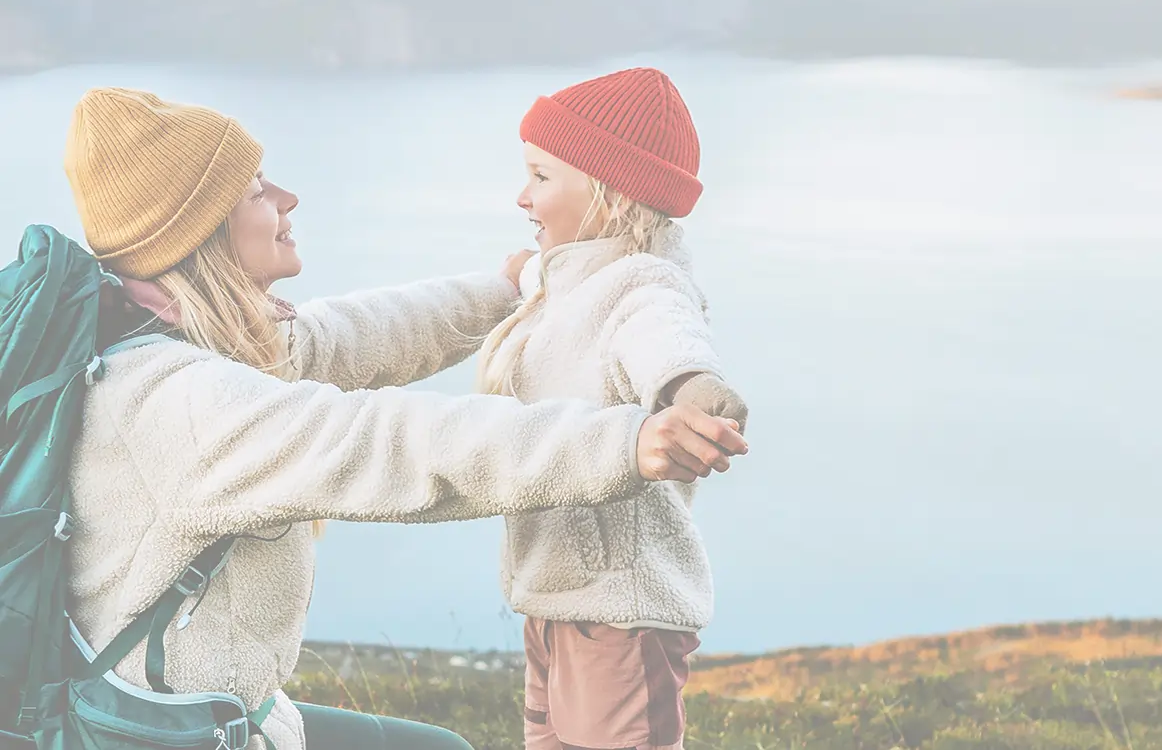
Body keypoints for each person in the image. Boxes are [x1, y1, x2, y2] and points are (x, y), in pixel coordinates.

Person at [59, 87, 749, 750]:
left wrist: (508, 290)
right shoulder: (181, 403)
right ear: (200, 235)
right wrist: (626, 441)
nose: (287, 199)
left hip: (224, 722)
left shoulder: (185, 340)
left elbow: (352, 336)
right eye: (256, 191)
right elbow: (392, 444)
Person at [476, 68, 746, 750]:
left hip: (622, 611)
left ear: (608, 193)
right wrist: (522, 276)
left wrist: (694, 393)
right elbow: (550, 285)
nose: (521, 196)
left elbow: (668, 339)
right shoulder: (571, 273)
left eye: (540, 177)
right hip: (555, 600)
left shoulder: (643, 284)